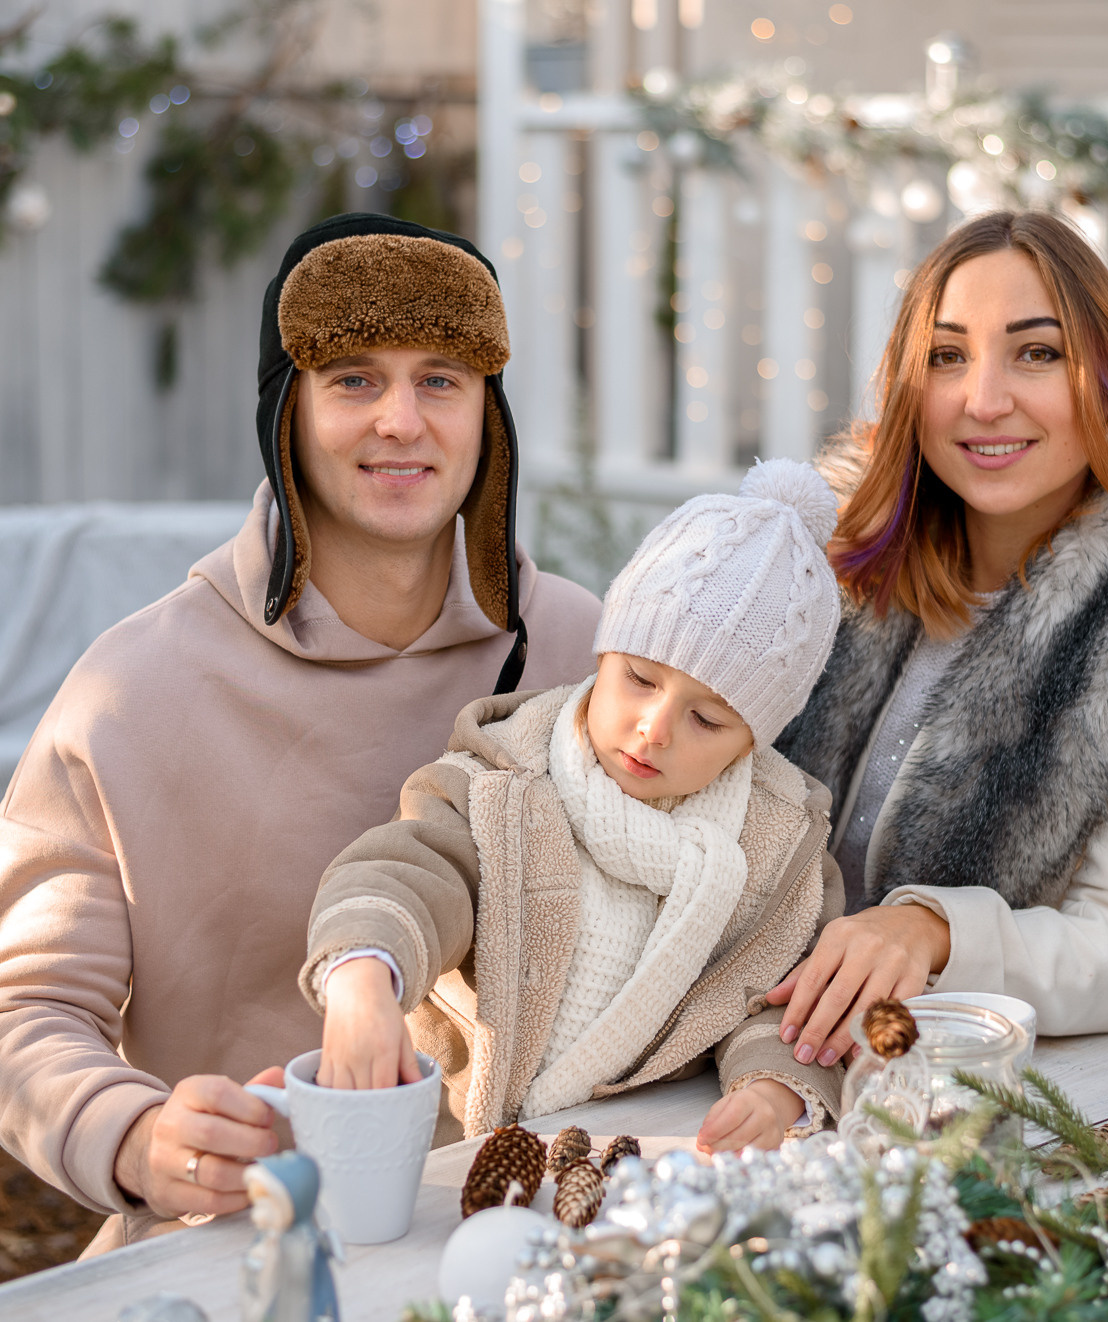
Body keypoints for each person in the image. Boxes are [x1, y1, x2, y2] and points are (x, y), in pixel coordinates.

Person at [0, 214, 604, 1253]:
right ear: (286, 410)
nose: (402, 418)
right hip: (235, 1249)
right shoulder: (132, 690)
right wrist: (133, 1134)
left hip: (537, 1241)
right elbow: (21, 1013)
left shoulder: (593, 660)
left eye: (441, 377)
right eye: (353, 377)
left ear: (490, 410)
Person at [768, 209, 1108, 1068]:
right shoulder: (817, 567)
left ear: (1107, 385)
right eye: (948, 355)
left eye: (1037, 352)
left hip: (978, 1097)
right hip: (731, 1048)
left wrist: (932, 930)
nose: (984, 399)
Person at [306, 460, 847, 1153]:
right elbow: (409, 871)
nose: (654, 728)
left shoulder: (774, 852)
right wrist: (364, 973)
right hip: (448, 1152)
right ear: (605, 653)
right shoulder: (505, 779)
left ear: (753, 743)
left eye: (707, 720)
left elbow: (783, 1000)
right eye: (640, 678)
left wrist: (774, 1091)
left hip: (641, 1161)